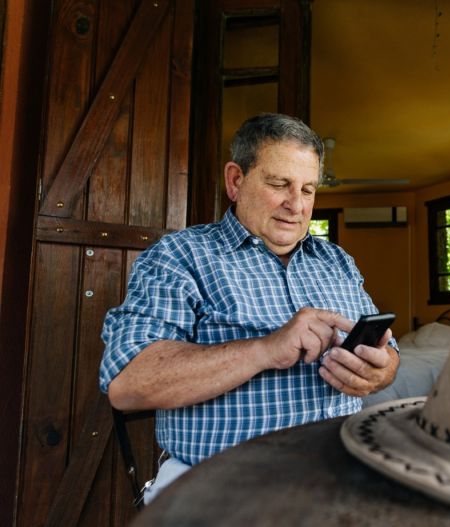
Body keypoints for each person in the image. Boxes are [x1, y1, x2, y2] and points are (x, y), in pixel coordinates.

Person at [99, 113, 399, 502]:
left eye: (308, 190)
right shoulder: (180, 256)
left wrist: (381, 371)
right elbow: (128, 384)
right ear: (236, 181)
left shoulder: (338, 262)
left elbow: (390, 357)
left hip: (339, 478)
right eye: (279, 184)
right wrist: (266, 349)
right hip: (224, 486)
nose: (296, 205)